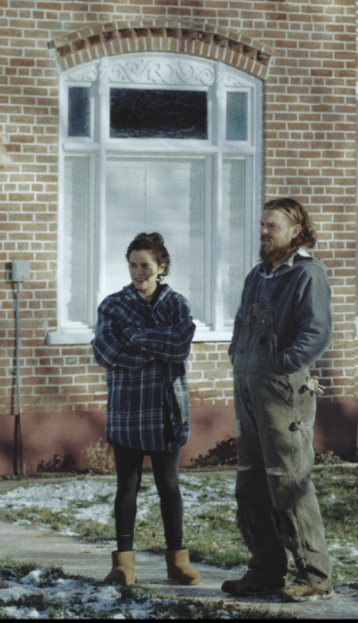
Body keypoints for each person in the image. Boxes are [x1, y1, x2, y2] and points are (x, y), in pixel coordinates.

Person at [222, 197, 334, 603]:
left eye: (273, 225)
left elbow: (316, 333)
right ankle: (265, 570)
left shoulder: (307, 275)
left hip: (283, 393)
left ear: (296, 231)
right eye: (262, 224)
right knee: (251, 485)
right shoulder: (258, 275)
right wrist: (239, 355)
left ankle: (314, 576)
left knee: (289, 482)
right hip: (248, 390)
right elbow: (239, 323)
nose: (264, 231)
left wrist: (280, 364)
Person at [91, 232, 202, 587]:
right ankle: (123, 564)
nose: (139, 272)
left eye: (146, 266)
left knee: (169, 486)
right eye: (133, 265)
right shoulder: (112, 305)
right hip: (128, 409)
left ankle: (177, 562)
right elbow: (106, 353)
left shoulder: (177, 305)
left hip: (167, 410)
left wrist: (135, 336)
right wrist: (156, 342)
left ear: (162, 267)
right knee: (128, 486)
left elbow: (179, 346)